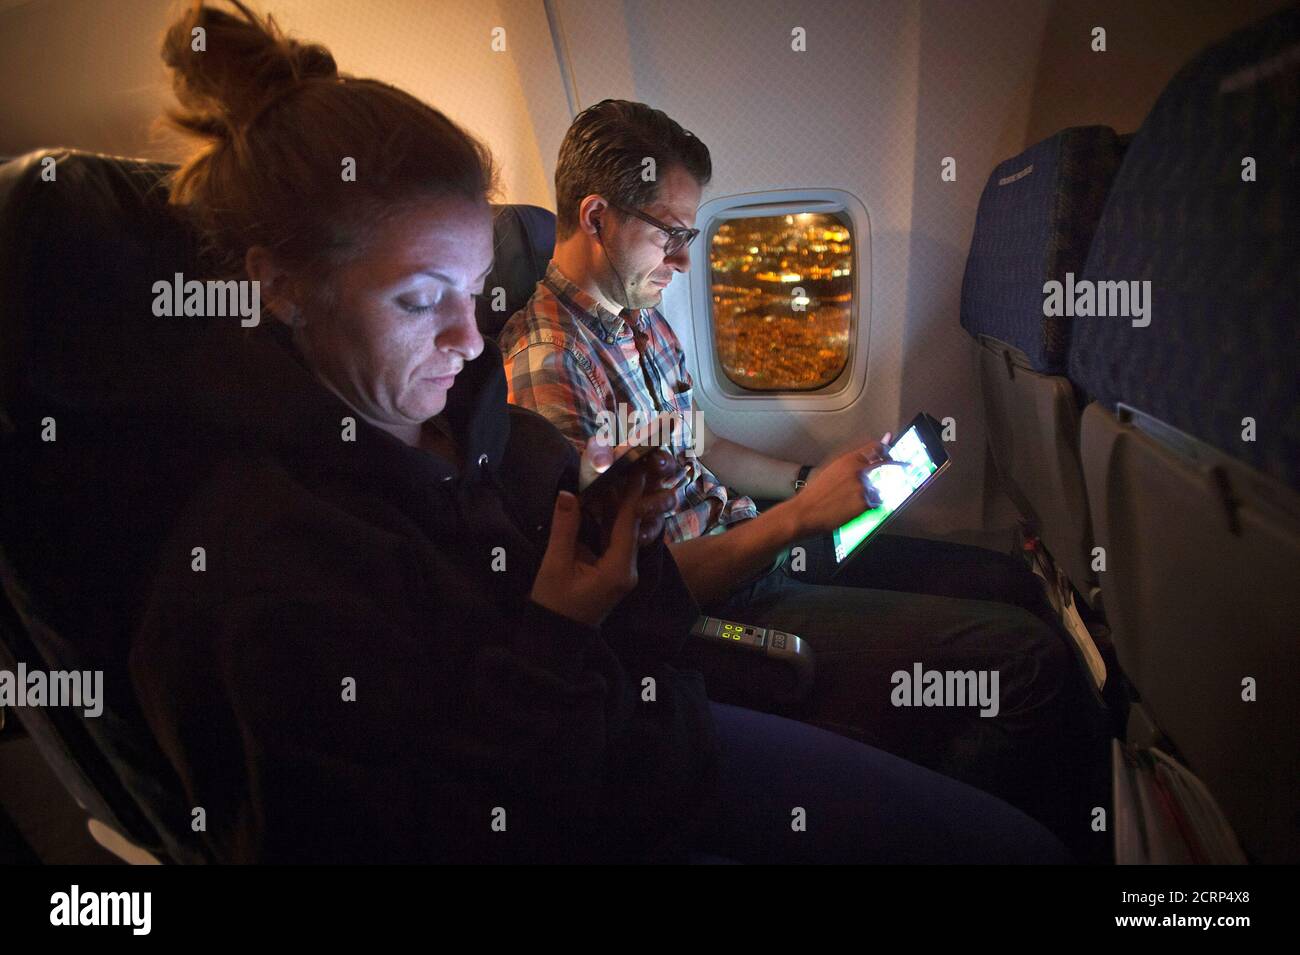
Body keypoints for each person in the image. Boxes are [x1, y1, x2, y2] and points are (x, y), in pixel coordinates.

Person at [129, 1, 1070, 863]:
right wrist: (583, 614)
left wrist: (758, 497)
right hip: (628, 777)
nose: (466, 340)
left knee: (1003, 593)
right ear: (283, 287)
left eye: (470, 290)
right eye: (421, 300)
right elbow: (442, 810)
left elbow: (638, 591)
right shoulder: (264, 568)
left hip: (662, 728)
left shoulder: (488, 426)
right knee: (1018, 715)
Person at [498, 99, 1106, 855]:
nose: (686, 260)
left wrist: (813, 478)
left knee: (1011, 585)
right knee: (1029, 666)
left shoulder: (636, 317)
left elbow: (706, 443)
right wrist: (796, 519)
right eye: (672, 234)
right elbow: (626, 591)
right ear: (595, 217)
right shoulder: (548, 364)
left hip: (753, 545)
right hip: (709, 611)